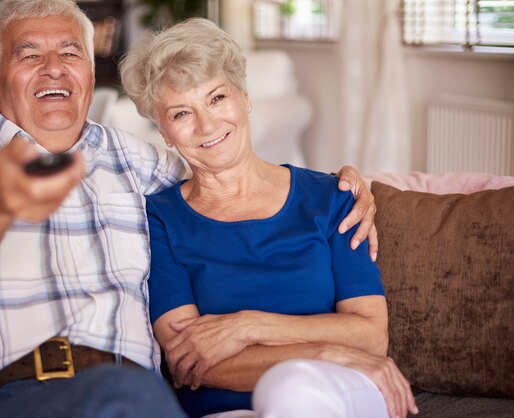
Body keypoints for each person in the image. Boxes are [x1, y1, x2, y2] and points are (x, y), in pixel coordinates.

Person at [0, 1, 376, 418]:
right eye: (30, 54)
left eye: (70, 52)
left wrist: (353, 185)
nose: (54, 67)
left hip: (126, 394)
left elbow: (226, 172)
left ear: (88, 71)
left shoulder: (137, 160)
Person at [119, 18, 419, 418]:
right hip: (225, 409)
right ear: (165, 132)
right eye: (180, 114)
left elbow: (369, 334)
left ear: (244, 97)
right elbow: (191, 361)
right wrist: (326, 349)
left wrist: (247, 326)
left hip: (338, 392)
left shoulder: (332, 198)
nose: (207, 125)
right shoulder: (159, 219)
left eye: (216, 98)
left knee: (291, 389)